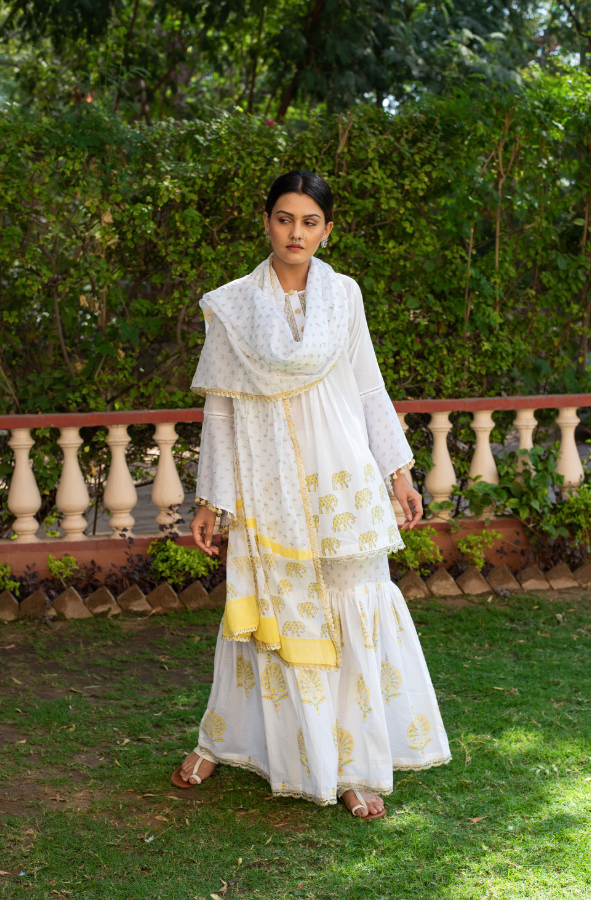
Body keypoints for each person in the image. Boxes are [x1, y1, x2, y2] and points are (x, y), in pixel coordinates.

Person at [170, 171, 451, 820]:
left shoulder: (343, 295)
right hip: (265, 480)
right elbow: (221, 410)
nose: (295, 233)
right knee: (269, 613)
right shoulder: (233, 306)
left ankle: (352, 766)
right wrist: (211, 499)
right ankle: (220, 740)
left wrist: (398, 471)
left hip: (341, 479)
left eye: (309, 221)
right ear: (266, 221)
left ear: (327, 230)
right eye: (284, 218)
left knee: (351, 611)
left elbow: (368, 385)